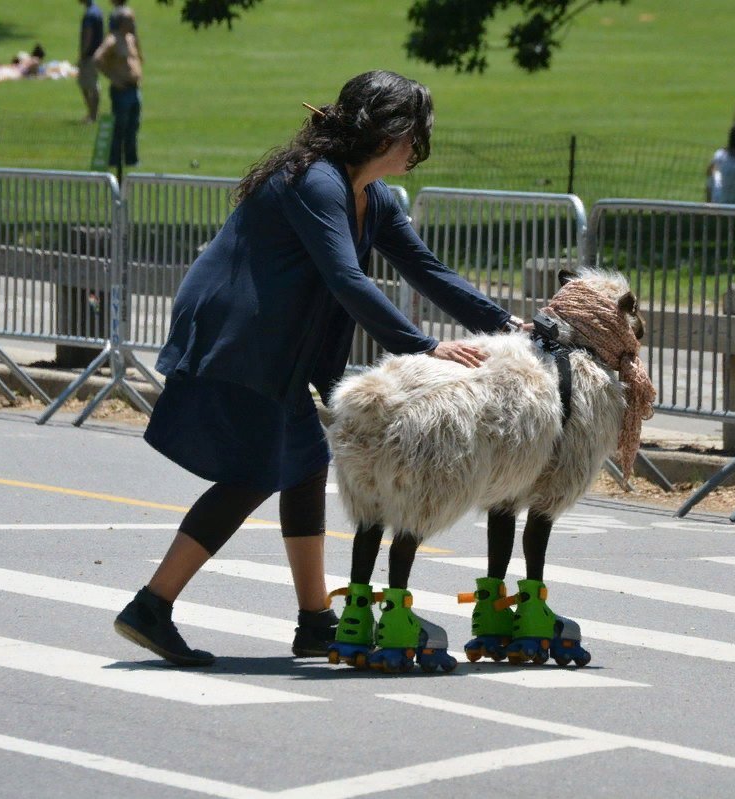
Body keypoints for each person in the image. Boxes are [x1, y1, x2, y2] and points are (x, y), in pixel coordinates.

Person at [113, 70, 521, 667]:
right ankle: (151, 605)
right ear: (385, 132)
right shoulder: (314, 181)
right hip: (241, 335)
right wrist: (422, 346)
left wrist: (507, 324)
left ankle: (314, 621)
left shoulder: (371, 198)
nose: (418, 148)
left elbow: (427, 270)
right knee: (255, 472)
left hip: (281, 342)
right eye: (413, 134)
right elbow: (345, 278)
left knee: (304, 464)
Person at [92, 12, 142, 171]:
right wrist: (113, 78)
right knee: (120, 126)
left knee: (133, 125)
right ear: (122, 23)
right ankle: (114, 159)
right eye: (130, 20)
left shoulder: (131, 39)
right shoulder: (112, 40)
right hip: (121, 90)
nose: (134, 23)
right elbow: (97, 59)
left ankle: (131, 159)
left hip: (134, 88)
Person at [77, 1, 103, 121]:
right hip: (97, 53)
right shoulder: (97, 11)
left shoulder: (89, 15)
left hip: (89, 55)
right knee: (89, 84)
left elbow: (88, 35)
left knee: (89, 85)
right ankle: (93, 113)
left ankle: (93, 114)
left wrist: (83, 54)